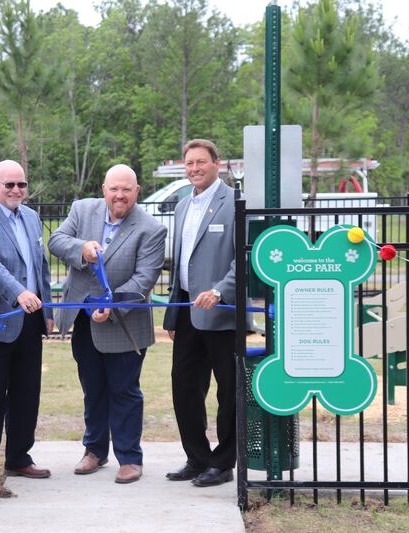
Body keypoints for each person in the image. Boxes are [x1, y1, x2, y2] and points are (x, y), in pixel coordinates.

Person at [48, 164, 166, 484]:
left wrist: (111, 310)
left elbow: (143, 279)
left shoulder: (151, 229)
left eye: (126, 189)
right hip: (83, 321)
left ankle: (129, 458)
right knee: (93, 389)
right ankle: (95, 451)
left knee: (124, 391)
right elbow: (56, 241)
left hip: (123, 325)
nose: (120, 195)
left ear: (137, 192)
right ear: (104, 189)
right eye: (114, 189)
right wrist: (81, 249)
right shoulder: (81, 210)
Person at [0, 159, 53, 482]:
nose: (17, 190)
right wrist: (19, 293)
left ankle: (18, 457)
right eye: (10, 184)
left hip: (29, 318)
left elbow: (41, 267)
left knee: (27, 392)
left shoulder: (31, 217)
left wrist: (48, 313)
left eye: (22, 184)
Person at [163, 139, 238, 487]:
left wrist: (221, 290)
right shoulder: (181, 206)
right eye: (189, 163)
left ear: (217, 164)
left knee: (228, 392)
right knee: (185, 388)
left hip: (221, 315)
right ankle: (197, 457)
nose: (194, 169)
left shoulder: (234, 204)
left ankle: (222, 464)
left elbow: (245, 258)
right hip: (187, 314)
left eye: (201, 163)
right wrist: (171, 315)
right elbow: (181, 262)